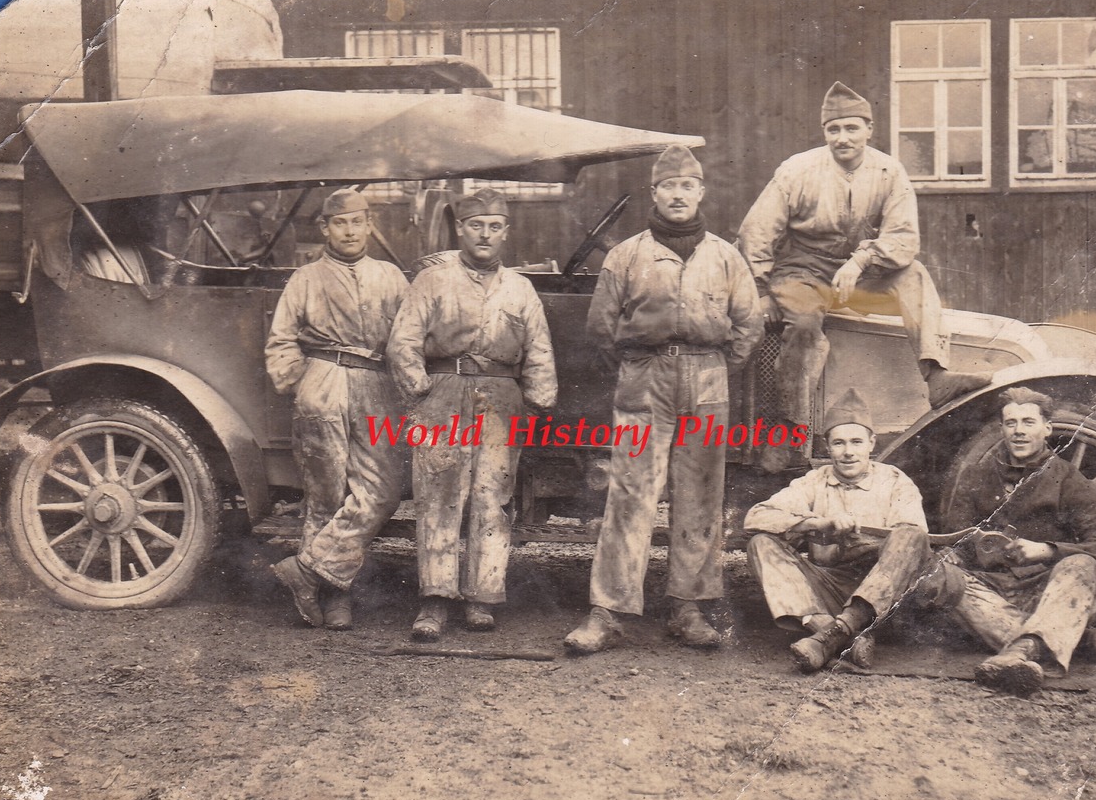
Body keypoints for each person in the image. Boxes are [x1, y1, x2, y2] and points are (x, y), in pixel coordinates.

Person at [563, 145, 762, 655]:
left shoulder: (724, 255)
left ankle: (687, 608)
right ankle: (608, 610)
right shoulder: (627, 254)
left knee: (700, 497)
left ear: (701, 193)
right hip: (645, 378)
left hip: (707, 378)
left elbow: (747, 327)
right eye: (668, 186)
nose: (678, 195)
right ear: (655, 193)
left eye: (687, 186)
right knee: (630, 494)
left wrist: (711, 366)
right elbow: (601, 328)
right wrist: (641, 366)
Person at [737, 82, 990, 469]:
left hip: (860, 270)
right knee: (803, 327)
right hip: (803, 271)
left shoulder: (889, 171)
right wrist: (761, 290)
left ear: (869, 129)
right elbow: (756, 232)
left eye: (852, 128)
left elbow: (904, 239)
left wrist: (861, 261)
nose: (843, 138)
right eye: (833, 129)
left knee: (914, 274)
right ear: (824, 133)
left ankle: (936, 376)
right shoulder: (797, 170)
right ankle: (791, 433)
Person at [387, 189, 557, 641]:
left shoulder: (520, 288)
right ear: (461, 230)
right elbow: (403, 341)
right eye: (476, 225)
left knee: (492, 499)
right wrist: (421, 391)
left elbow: (538, 349)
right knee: (438, 497)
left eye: (494, 226)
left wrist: (539, 400)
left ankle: (482, 598)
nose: (485, 234)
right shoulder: (433, 281)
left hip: (501, 397)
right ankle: (435, 599)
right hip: (443, 392)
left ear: (506, 232)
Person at [265, 188, 408, 631]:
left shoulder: (391, 277)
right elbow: (281, 341)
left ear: (369, 225)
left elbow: (409, 337)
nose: (350, 230)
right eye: (340, 223)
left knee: (382, 490)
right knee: (325, 493)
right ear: (325, 228)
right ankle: (333, 599)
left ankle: (305, 568)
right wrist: (300, 381)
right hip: (324, 379)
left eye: (357, 221)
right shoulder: (305, 279)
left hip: (378, 384)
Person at [927, 387, 1096, 695]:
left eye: (1028, 422)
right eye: (1011, 423)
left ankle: (1020, 651)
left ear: (1047, 428)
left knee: (1082, 565)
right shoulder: (975, 475)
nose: (1018, 431)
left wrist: (1046, 551)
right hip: (989, 593)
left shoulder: (1071, 481)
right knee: (937, 575)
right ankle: (1068, 639)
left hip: (1044, 592)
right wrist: (953, 551)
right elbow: (957, 536)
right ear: (1002, 427)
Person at [741, 388, 936, 673]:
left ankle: (834, 636)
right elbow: (755, 516)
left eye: (856, 442)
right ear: (827, 447)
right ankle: (836, 633)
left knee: (910, 536)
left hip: (883, 595)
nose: (848, 452)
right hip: (830, 589)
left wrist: (855, 541)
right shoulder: (814, 481)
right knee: (760, 543)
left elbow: (913, 540)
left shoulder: (894, 481)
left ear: (872, 443)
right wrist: (818, 523)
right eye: (839, 443)